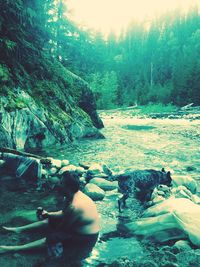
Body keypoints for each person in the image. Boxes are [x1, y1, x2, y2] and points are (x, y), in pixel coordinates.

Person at [0, 171, 100, 260]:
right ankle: (18, 229)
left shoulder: (75, 205)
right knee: (48, 220)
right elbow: (63, 213)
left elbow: (64, 228)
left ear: (67, 186)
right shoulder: (71, 196)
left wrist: (52, 231)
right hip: (76, 225)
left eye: (61, 183)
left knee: (51, 238)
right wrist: (48, 214)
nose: (59, 184)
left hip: (85, 237)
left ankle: (12, 249)